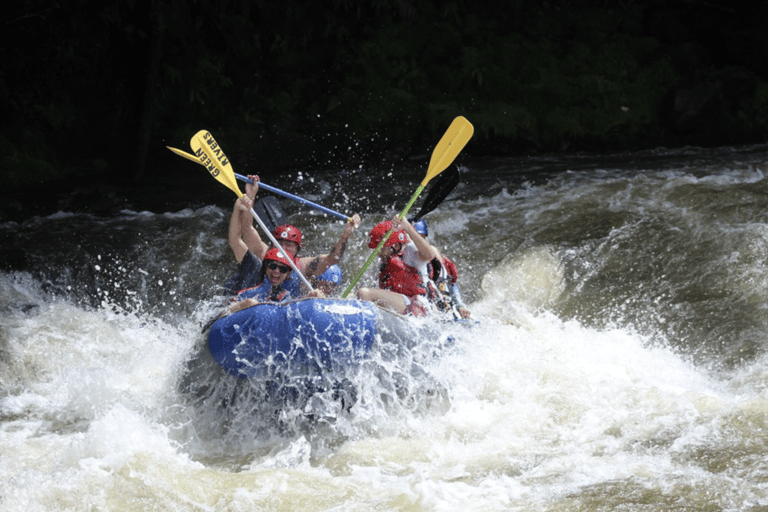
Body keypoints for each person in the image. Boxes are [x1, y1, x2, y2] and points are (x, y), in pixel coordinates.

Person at [224, 174, 360, 295]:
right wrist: (250, 197)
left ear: (297, 249)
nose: (282, 247)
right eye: (280, 242)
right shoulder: (264, 253)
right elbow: (247, 229)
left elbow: (332, 258)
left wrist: (345, 235)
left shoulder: (304, 266)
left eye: (288, 245)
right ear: (272, 243)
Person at [356, 216, 439, 316]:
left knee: (364, 293)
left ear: (395, 246)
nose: (379, 253)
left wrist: (408, 228)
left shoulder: (409, 251)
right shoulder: (386, 262)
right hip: (405, 306)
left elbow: (429, 255)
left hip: (418, 307)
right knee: (360, 294)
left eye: (382, 248)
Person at [224, 247, 326, 315]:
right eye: (273, 266)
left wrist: (312, 299)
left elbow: (296, 307)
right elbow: (235, 240)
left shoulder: (289, 288)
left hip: (259, 323)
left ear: (288, 274)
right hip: (228, 313)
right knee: (251, 303)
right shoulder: (255, 277)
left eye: (282, 269)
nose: (277, 271)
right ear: (266, 267)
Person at [411, 219, 471, 319]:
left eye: (420, 237)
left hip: (438, 305)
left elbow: (448, 283)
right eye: (414, 237)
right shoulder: (402, 254)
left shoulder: (432, 255)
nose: (417, 242)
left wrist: (459, 305)